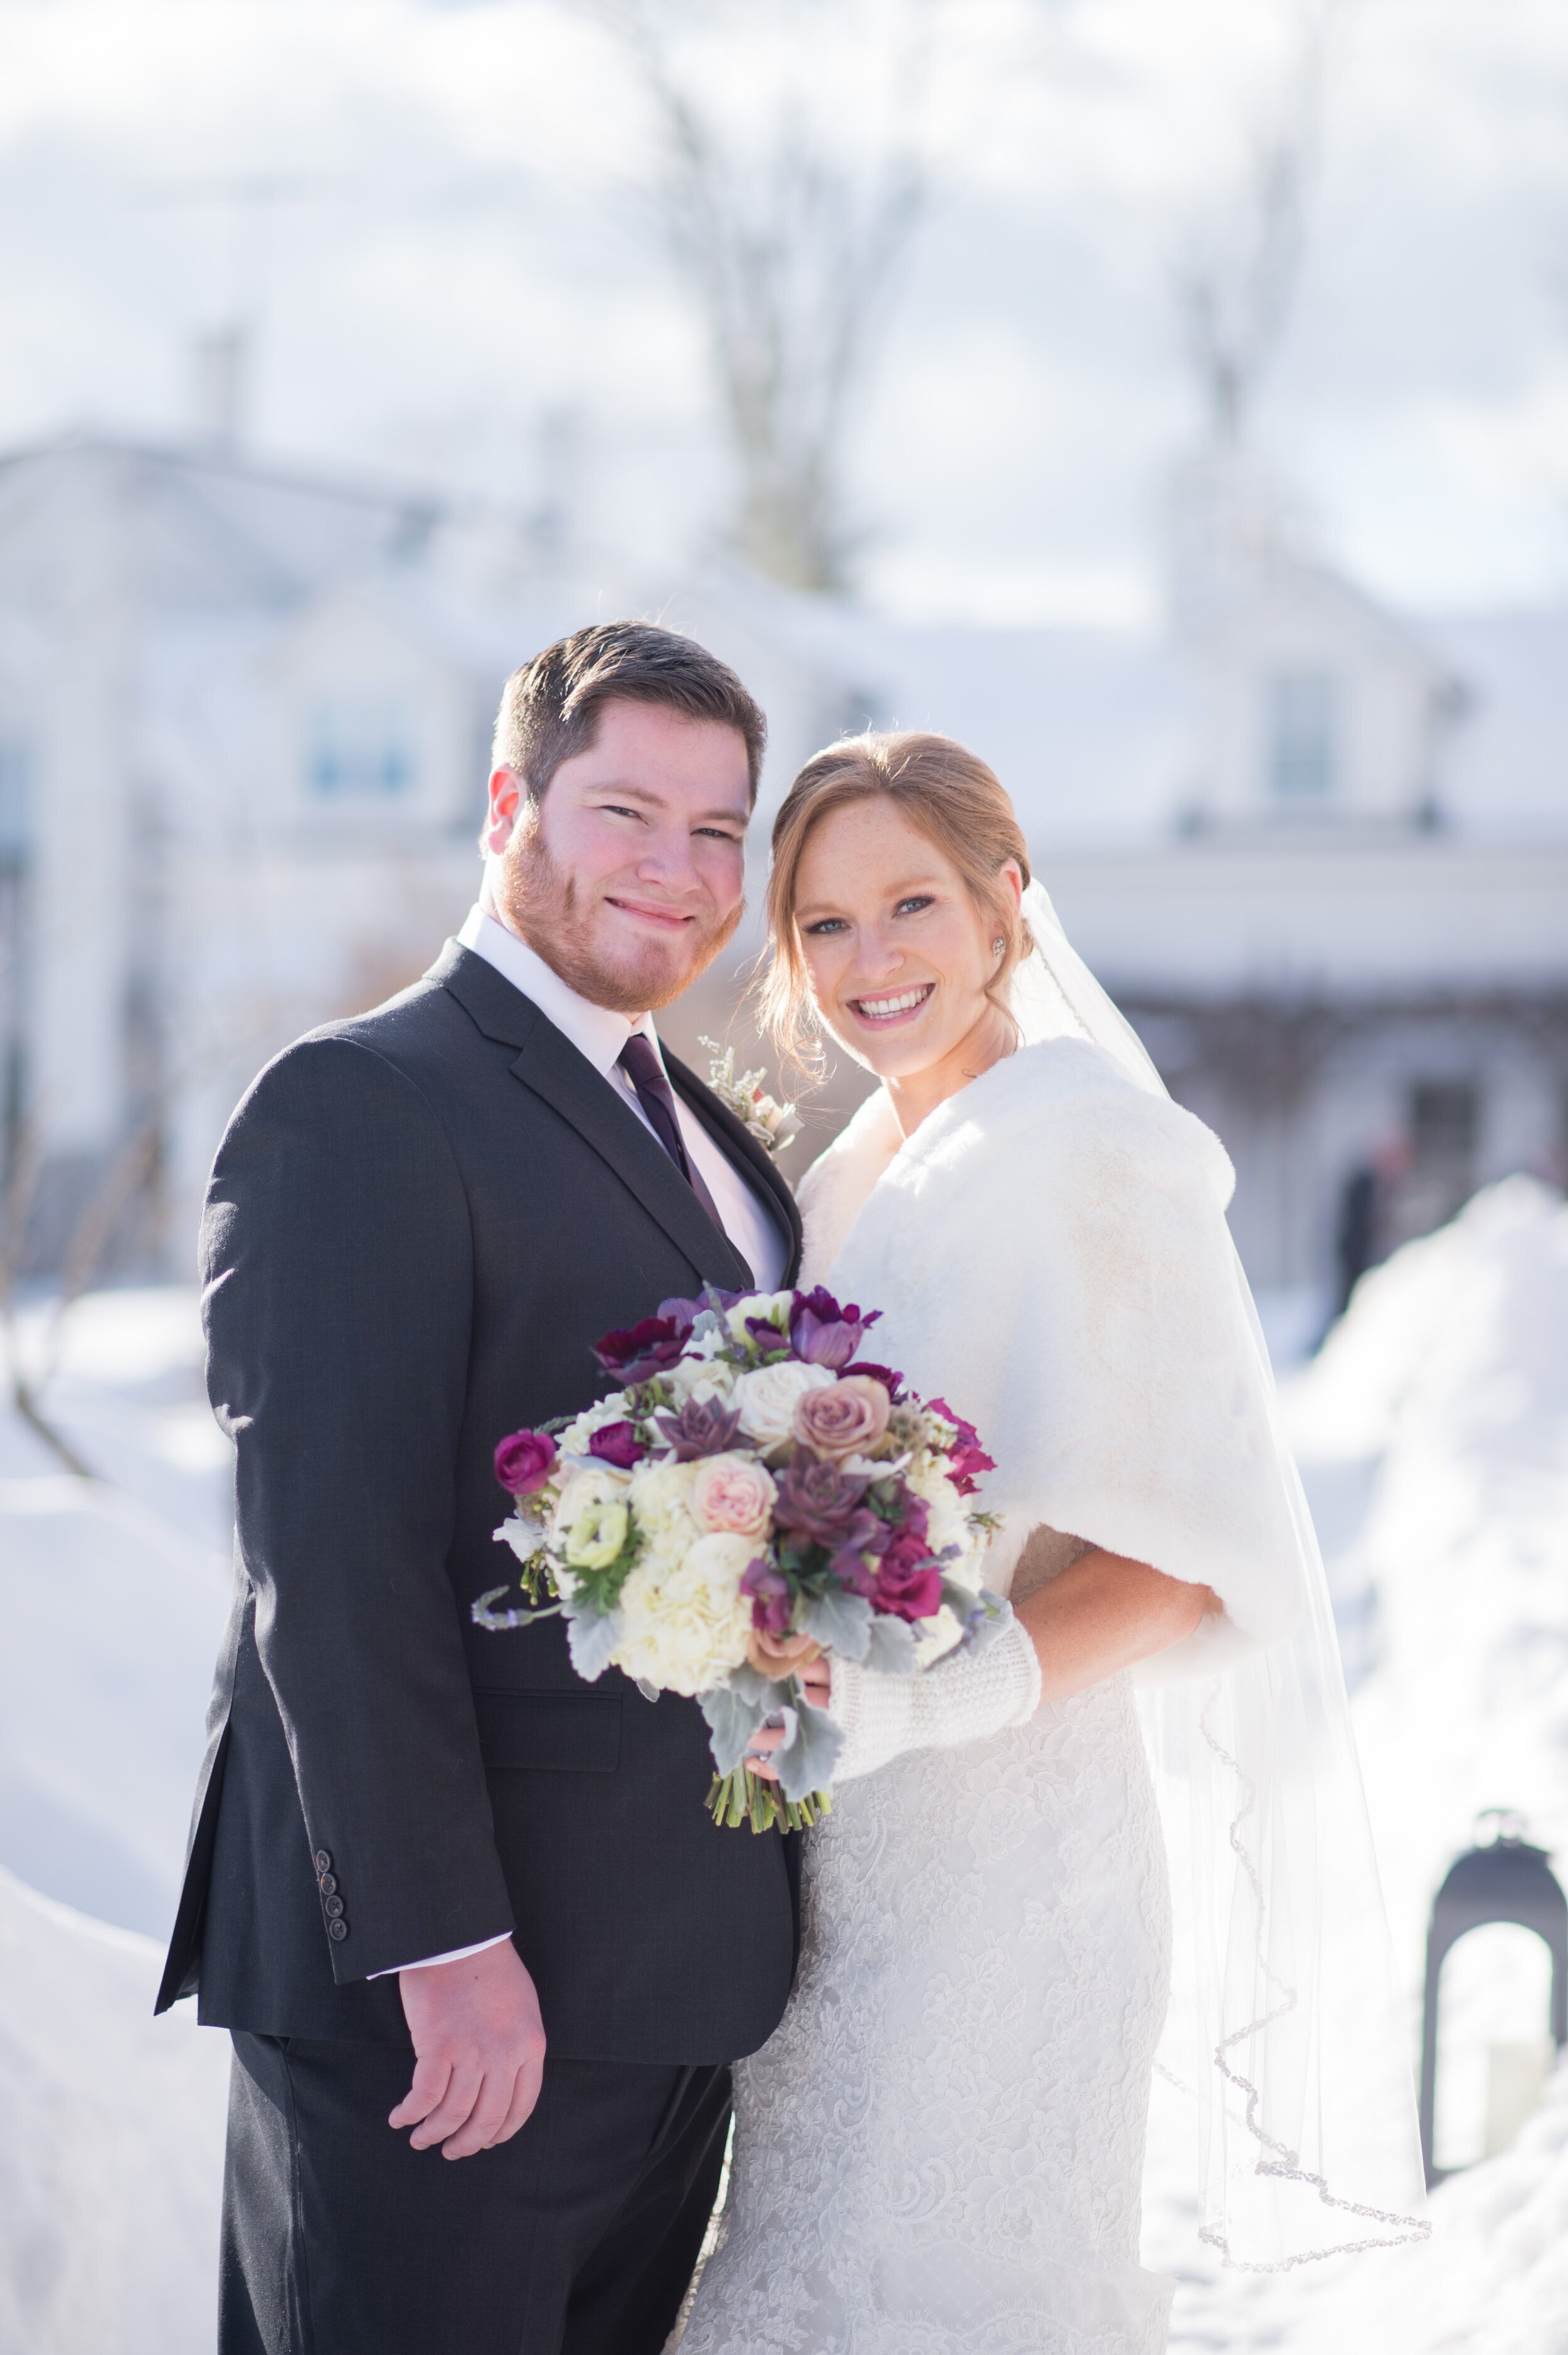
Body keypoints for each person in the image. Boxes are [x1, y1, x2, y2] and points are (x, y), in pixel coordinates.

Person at [681, 731, 1428, 2354]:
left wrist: (921, 1702)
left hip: (1015, 1866)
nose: (867, 961)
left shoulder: (1091, 1148)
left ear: (1005, 902)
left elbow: (1175, 1558)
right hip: (845, 1863)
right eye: (820, 924)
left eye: (910, 905)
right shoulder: (849, 1168)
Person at [155, 622, 804, 2355]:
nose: (675, 872)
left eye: (718, 830)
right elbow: (334, 1564)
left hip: (663, 1991)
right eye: (624, 811)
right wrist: (443, 1946)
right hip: (445, 2012)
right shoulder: (361, 1102)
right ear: (508, 801)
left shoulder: (714, 1137)